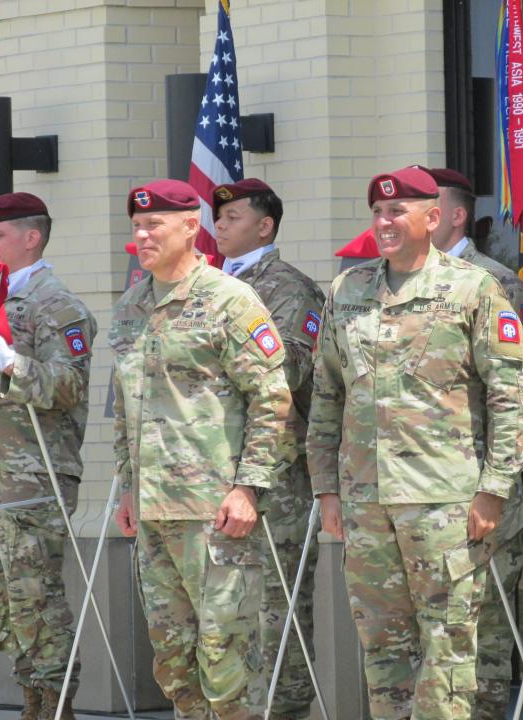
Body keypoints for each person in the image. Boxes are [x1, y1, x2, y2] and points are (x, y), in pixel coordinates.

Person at [307, 166, 523, 719]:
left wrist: (494, 490)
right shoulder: (347, 290)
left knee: (448, 650)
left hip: (446, 506)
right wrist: (326, 490)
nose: (385, 223)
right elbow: (326, 397)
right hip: (367, 505)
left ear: (433, 218)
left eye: (397, 212)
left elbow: (513, 399)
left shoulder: (473, 288)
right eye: (378, 213)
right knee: (383, 649)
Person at [110, 179, 296, 720]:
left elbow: (271, 397)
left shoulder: (229, 300)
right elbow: (127, 409)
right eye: (138, 226)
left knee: (226, 656)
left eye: (154, 225)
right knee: (173, 660)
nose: (143, 235)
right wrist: (127, 486)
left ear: (191, 227)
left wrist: (248, 487)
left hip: (215, 513)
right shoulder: (131, 307)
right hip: (153, 510)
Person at [0, 193, 97, 720]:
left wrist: (11, 362)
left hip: (33, 471)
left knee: (34, 596)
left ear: (31, 238)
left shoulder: (57, 305)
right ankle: (30, 697)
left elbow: (68, 387)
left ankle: (52, 704)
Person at [424, 166, 523, 719]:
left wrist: (495, 482)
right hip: (420, 491)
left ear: (455, 215)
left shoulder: (494, 280)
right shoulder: (399, 281)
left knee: (486, 627)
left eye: (428, 203)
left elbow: (521, 381)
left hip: (480, 487)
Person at [212, 178, 324, 720]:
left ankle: (284, 711)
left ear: (265, 225)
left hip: (274, 476)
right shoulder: (204, 286)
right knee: (220, 611)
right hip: (210, 472)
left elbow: (289, 370)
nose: (220, 226)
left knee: (275, 610)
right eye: (218, 216)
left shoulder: (289, 288)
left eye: (233, 217)